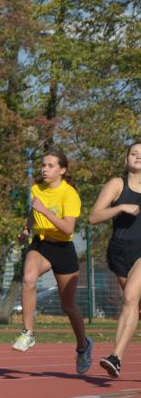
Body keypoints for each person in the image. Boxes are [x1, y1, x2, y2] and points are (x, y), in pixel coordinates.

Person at [12, 150, 93, 374]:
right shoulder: (37, 189)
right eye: (43, 165)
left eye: (50, 166)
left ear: (62, 170)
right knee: (28, 278)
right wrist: (27, 228)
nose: (44, 169)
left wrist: (45, 211)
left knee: (68, 306)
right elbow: (33, 211)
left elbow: (68, 228)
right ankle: (28, 333)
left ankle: (83, 346)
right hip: (41, 244)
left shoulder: (70, 194)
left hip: (63, 249)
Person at [88, 141, 141, 378]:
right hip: (120, 251)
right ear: (126, 158)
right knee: (135, 308)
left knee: (129, 299)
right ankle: (117, 358)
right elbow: (94, 216)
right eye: (134, 153)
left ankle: (115, 357)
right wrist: (120, 209)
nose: (138, 157)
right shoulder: (117, 184)